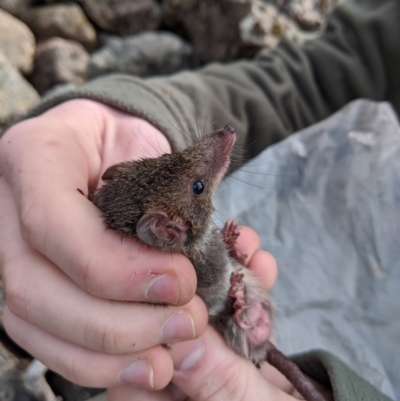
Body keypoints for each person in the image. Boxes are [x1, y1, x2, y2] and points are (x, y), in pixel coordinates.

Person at [0, 0, 398, 399]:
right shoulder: (168, 254)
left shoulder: (175, 234)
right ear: (168, 230)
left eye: (188, 177)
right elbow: (321, 69)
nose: (222, 139)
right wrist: (130, 110)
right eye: (198, 187)